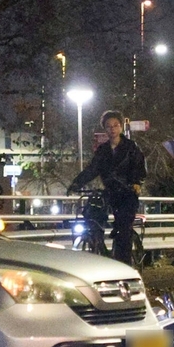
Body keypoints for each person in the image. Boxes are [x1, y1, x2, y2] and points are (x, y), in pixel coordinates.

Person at [67, 110, 147, 266]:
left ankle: (124, 266)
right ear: (105, 129)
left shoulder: (131, 147)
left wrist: (136, 183)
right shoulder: (103, 150)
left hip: (127, 193)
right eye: (109, 126)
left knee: (123, 229)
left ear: (121, 127)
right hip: (109, 192)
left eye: (116, 125)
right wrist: (76, 183)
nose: (112, 129)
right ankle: (97, 246)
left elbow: (139, 168)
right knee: (92, 215)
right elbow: (92, 169)